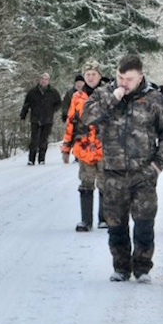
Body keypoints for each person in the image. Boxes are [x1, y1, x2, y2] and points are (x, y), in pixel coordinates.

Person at [83, 54, 163, 283]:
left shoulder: (153, 99)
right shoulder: (104, 94)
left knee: (144, 223)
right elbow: (85, 117)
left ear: (140, 77)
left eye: (129, 79)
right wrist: (111, 99)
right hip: (113, 172)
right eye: (120, 77)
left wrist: (157, 165)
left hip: (143, 173)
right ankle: (121, 267)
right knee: (116, 224)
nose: (124, 83)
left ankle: (142, 268)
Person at [61, 60, 107, 231]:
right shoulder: (77, 97)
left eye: (94, 74)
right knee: (86, 182)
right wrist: (66, 148)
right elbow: (70, 123)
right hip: (84, 146)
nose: (91, 77)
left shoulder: (109, 94)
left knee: (105, 183)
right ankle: (86, 221)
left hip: (105, 147)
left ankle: (104, 218)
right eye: (88, 74)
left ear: (100, 76)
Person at [20, 72, 63, 165]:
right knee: (34, 140)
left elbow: (59, 103)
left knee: (44, 140)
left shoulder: (53, 92)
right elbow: (26, 105)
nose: (44, 81)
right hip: (35, 119)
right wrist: (23, 116)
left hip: (47, 119)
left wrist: (54, 109)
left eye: (46, 79)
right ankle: (31, 159)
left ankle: (42, 159)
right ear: (39, 80)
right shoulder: (32, 92)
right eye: (42, 79)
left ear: (48, 81)